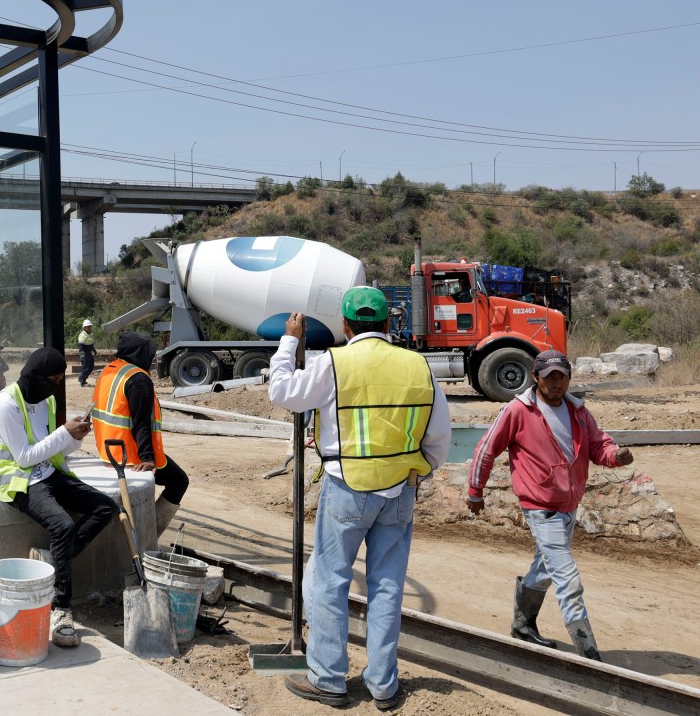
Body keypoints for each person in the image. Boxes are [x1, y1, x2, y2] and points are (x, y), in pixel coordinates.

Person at [268, 287, 451, 710]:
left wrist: (290, 341)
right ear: (388, 325)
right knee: (387, 587)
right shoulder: (417, 366)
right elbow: (439, 436)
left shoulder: (334, 362)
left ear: (346, 326)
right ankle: (383, 685)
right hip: (401, 491)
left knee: (331, 583)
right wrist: (418, 470)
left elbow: (283, 392)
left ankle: (329, 679)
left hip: (347, 487)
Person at [466, 349, 632, 662]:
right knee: (567, 579)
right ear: (536, 377)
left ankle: (522, 625)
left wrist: (615, 456)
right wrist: (475, 490)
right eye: (550, 377)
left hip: (569, 503)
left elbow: (598, 446)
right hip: (540, 507)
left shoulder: (578, 411)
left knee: (544, 569)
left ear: (569, 378)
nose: (557, 383)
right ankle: (590, 656)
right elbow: (487, 449)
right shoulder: (519, 410)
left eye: (562, 377)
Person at [0, 347, 116, 648]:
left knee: (105, 508)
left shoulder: (44, 402)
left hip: (47, 473)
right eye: (52, 379)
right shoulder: (6, 405)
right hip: (18, 480)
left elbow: (49, 448)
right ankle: (61, 608)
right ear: (35, 376)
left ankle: (54, 560)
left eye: (59, 380)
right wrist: (64, 434)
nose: (55, 386)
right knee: (63, 526)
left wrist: (74, 437)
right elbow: (25, 456)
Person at [92, 332, 189, 539]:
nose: (152, 358)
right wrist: (147, 458)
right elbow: (141, 423)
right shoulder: (138, 379)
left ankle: (146, 532)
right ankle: (150, 535)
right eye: (149, 353)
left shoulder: (110, 371)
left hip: (108, 450)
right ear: (139, 353)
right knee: (179, 481)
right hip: (131, 456)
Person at [77, 319, 96, 387]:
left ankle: (82, 378)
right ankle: (82, 381)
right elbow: (81, 345)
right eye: (88, 327)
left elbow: (91, 344)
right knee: (85, 367)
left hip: (89, 353)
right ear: (84, 328)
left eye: (90, 326)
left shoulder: (90, 334)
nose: (90, 328)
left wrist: (94, 350)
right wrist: (82, 353)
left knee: (91, 366)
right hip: (84, 353)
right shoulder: (82, 335)